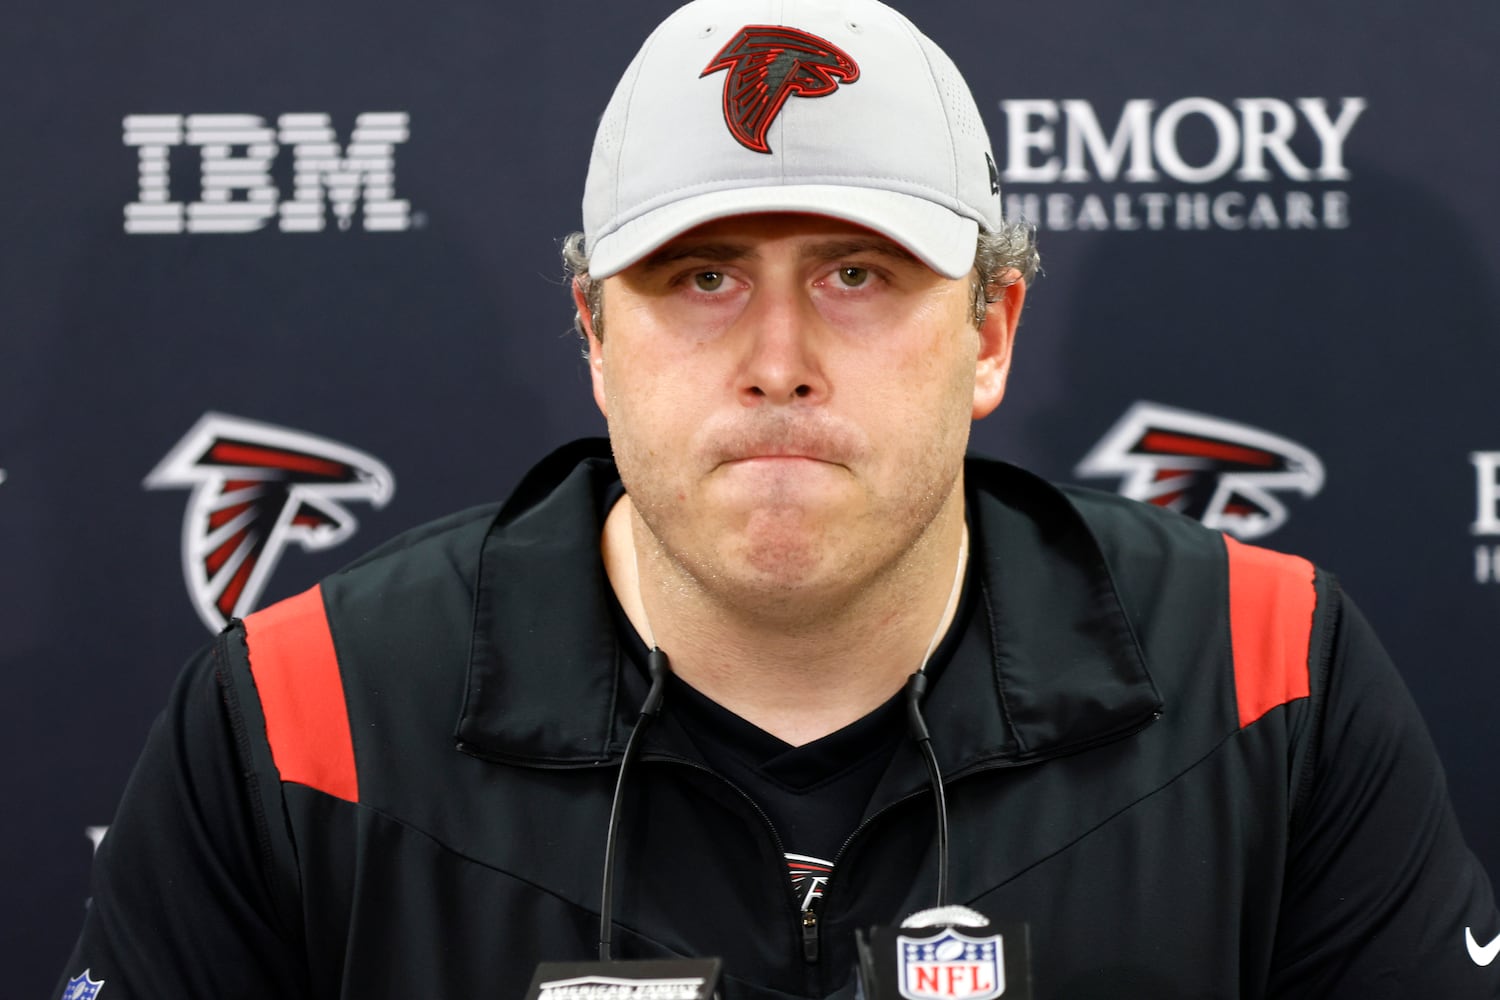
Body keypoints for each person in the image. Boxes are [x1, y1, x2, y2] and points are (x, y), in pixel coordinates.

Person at [57, 0, 1500, 997]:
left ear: (992, 329)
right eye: (701, 276)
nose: (779, 362)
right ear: (593, 334)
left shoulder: (1263, 675)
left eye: (857, 275)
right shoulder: (304, 717)